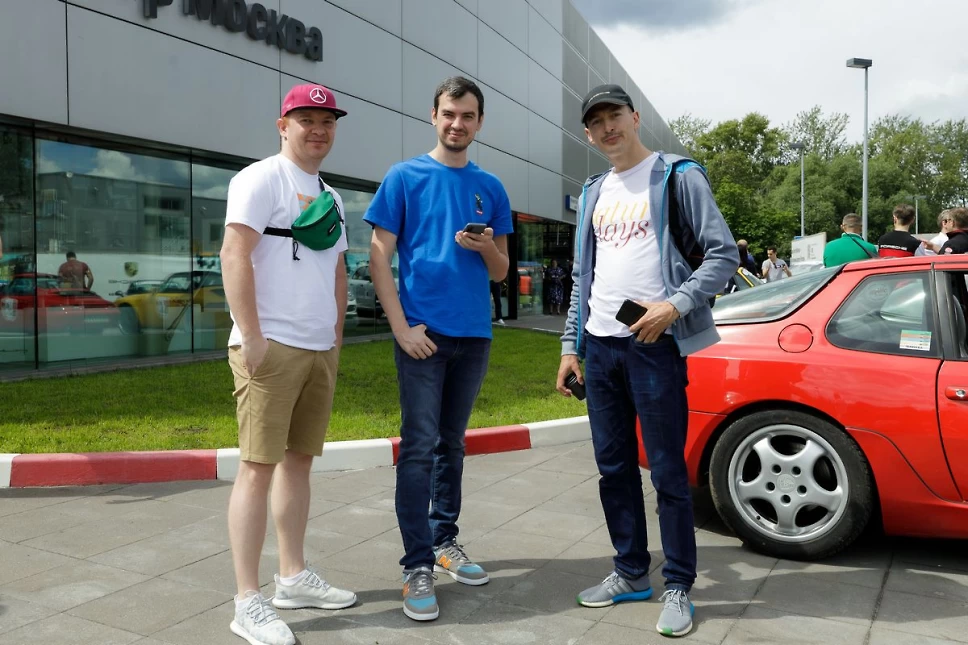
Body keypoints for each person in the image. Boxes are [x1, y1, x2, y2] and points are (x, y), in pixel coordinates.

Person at [556, 84, 738, 638]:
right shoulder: (593, 191)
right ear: (588, 134)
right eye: (596, 122)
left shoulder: (678, 175)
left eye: (615, 115)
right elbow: (582, 276)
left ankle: (678, 583)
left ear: (634, 118)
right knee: (613, 469)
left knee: (666, 472)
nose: (607, 128)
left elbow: (723, 254)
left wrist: (674, 306)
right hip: (600, 346)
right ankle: (631, 570)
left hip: (653, 345)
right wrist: (569, 345)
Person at [364, 76, 513, 623]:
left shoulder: (490, 186)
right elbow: (378, 255)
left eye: (468, 115)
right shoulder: (404, 177)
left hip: (474, 335)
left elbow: (501, 271)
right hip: (422, 335)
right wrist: (401, 328)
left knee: (452, 445)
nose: (457, 123)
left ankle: (444, 539)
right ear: (433, 115)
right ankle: (416, 564)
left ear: (479, 123)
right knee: (419, 447)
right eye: (449, 113)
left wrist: (484, 247)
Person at [219, 83, 357, 645]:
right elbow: (234, 254)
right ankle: (246, 601)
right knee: (257, 467)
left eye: (327, 121)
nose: (318, 130)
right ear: (283, 125)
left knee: (299, 464)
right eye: (306, 120)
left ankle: (293, 578)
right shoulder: (260, 179)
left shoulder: (331, 195)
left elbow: (337, 270)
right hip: (270, 346)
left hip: (318, 348)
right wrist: (252, 337)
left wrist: (335, 339)